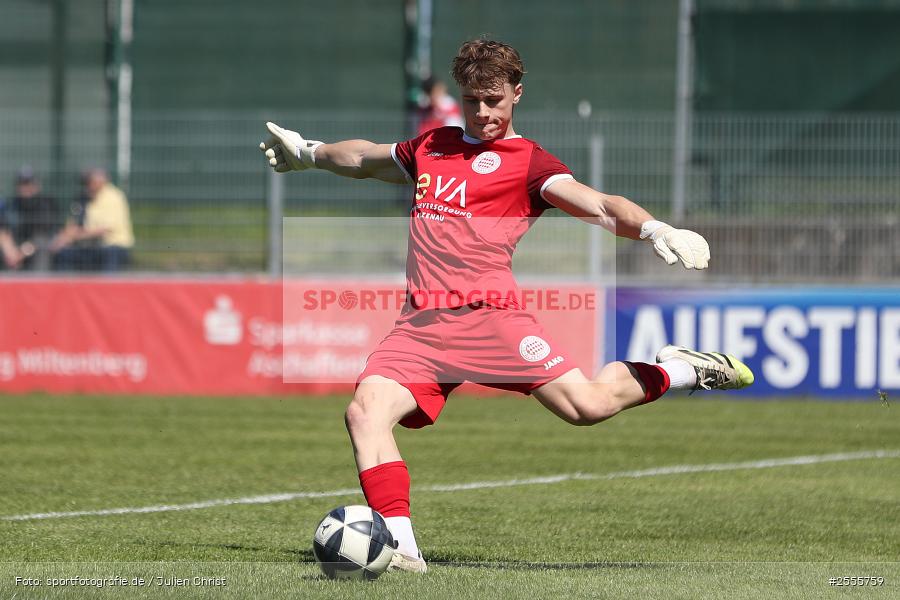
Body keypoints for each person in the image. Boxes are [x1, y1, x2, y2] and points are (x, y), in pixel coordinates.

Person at [260, 39, 754, 573]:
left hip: (492, 320)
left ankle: (680, 369)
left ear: (517, 94)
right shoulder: (434, 145)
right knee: (364, 412)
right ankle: (401, 549)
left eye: (494, 100)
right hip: (421, 328)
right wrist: (308, 152)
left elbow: (599, 203)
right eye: (473, 100)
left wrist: (655, 228)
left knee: (586, 406)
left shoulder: (529, 163)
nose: (483, 112)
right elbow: (361, 157)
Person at [52, 168, 134, 272]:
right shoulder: (82, 198)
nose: (87, 186)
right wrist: (62, 238)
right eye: (85, 183)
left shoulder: (114, 197)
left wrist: (75, 236)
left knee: (110, 253)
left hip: (112, 246)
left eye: (89, 183)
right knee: (64, 253)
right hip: (89, 246)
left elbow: (104, 230)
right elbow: (72, 224)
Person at [0, 167, 59, 271]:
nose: (25, 188)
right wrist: (10, 252)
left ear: (36, 186)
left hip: (34, 248)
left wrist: (21, 253)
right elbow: (3, 231)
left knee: (42, 245)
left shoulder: (45, 204)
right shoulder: (12, 205)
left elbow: (42, 236)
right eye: (22, 184)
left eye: (28, 183)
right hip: (15, 249)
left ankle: (40, 283)